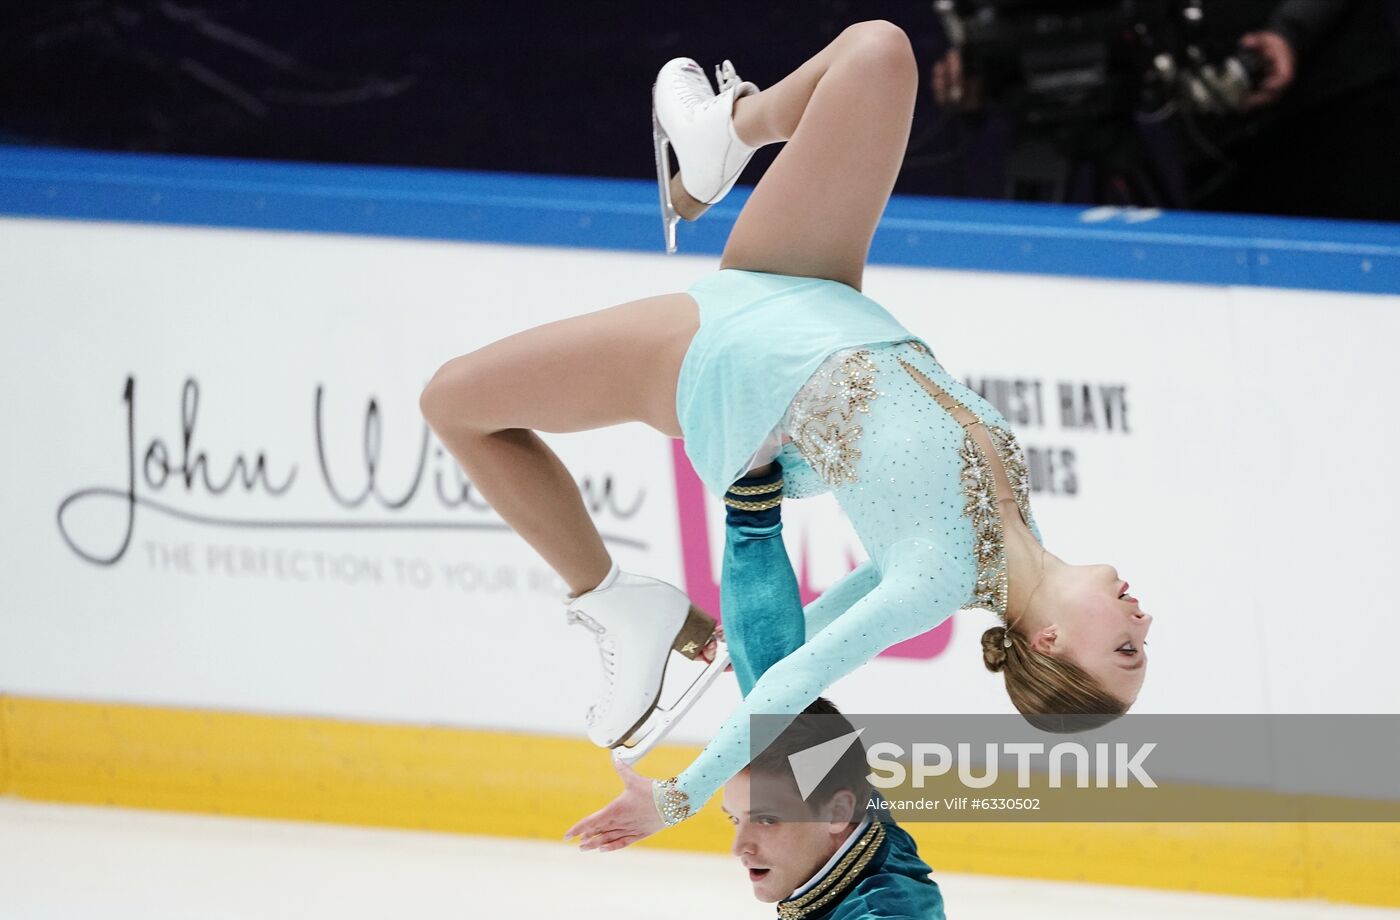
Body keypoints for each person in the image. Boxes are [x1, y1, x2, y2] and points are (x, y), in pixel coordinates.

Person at [418, 20, 1152, 850]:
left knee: (453, 400)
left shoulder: (941, 581)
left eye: (1125, 647)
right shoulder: (1015, 535)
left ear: (1049, 644)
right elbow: (842, 600)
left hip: (723, 360)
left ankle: (614, 601)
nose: (1144, 622)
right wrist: (753, 632)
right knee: (879, 52)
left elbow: (800, 677)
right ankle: (717, 137)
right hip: (815, 288)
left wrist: (677, 797)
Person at [716, 466, 947, 918]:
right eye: (736, 819)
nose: (740, 846)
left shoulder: (882, 912)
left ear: (837, 812)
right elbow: (776, 686)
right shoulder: (856, 830)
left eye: (766, 818)